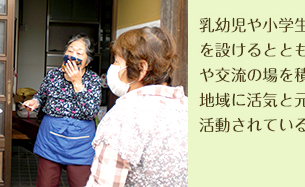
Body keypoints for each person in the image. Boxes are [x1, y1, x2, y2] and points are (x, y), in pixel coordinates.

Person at [86, 27, 188, 187]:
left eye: (117, 62)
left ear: (141, 68)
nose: (113, 68)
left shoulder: (123, 117)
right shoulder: (187, 107)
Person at [22, 34, 102, 187]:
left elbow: (91, 112)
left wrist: (77, 83)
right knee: (46, 182)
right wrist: (34, 102)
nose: (73, 56)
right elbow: (41, 96)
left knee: (81, 183)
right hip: (51, 137)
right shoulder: (53, 75)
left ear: (88, 61)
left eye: (79, 53)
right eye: (70, 51)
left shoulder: (93, 80)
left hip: (81, 141)